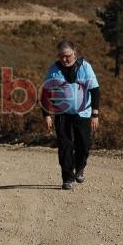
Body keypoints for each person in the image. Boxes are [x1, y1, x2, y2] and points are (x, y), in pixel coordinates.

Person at [42, 40, 100, 190]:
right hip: (62, 114)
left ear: (75, 53)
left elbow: (95, 91)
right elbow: (45, 93)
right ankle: (67, 178)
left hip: (84, 113)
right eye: (61, 56)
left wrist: (95, 114)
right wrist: (46, 114)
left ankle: (80, 168)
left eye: (67, 56)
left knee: (83, 145)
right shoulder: (54, 70)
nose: (64, 59)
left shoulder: (85, 68)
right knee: (64, 146)